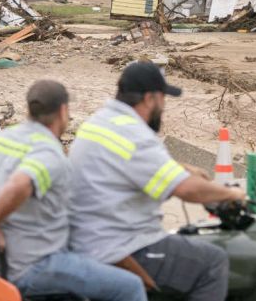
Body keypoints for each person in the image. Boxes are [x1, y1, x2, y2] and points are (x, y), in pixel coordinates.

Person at [69, 61, 246, 301]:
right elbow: (187, 190)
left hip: (87, 239)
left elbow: (127, 164)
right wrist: (233, 194)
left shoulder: (100, 122)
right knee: (213, 262)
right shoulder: (135, 134)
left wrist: (180, 168)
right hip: (121, 246)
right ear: (150, 98)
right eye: (163, 99)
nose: (163, 107)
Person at [0, 80, 146, 301]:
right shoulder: (49, 154)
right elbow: (19, 184)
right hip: (35, 266)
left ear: (30, 108)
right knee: (130, 287)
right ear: (63, 111)